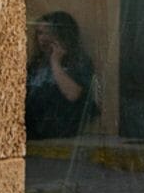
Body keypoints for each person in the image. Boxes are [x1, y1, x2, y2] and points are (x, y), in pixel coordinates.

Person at [27, 10, 102, 141]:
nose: (43, 38)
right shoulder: (35, 65)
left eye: (49, 33)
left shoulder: (79, 62)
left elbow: (73, 94)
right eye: (40, 33)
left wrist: (55, 62)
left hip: (60, 134)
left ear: (62, 35)